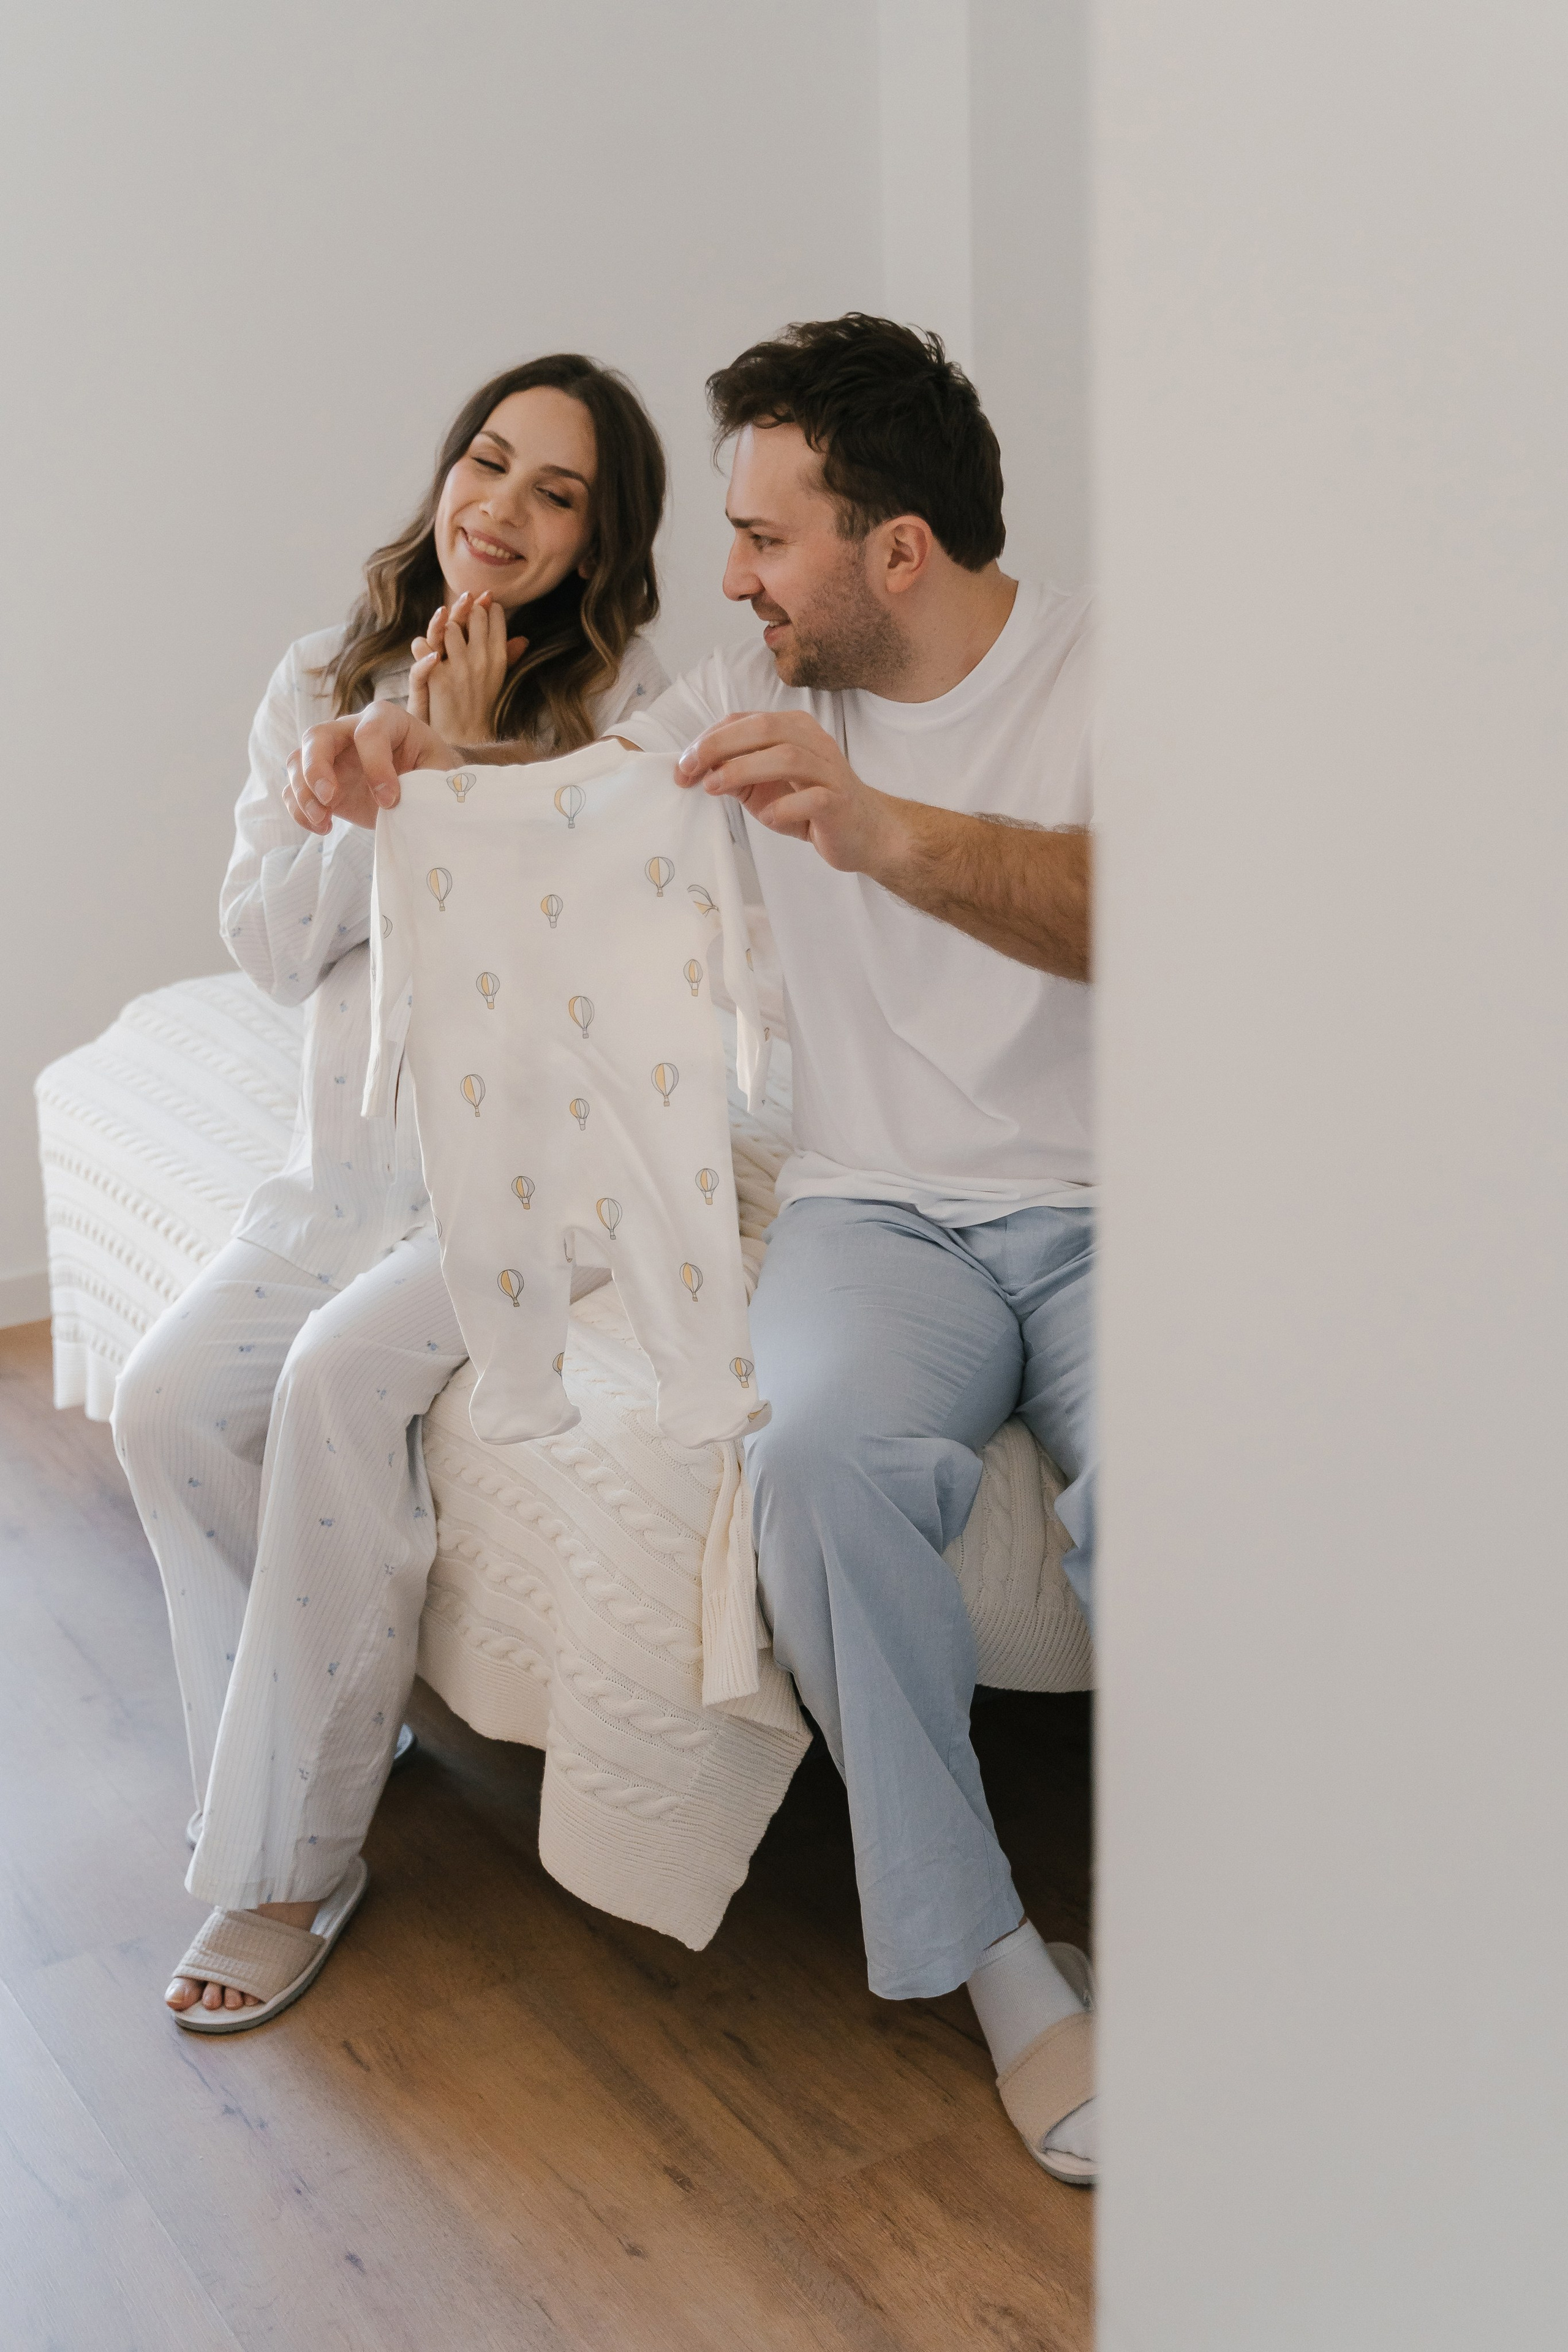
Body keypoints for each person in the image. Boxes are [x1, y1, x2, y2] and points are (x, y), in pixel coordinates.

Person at [288, 316, 1098, 2185]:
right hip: (871, 1212)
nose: (726, 580)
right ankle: (990, 1956)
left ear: (898, 550)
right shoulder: (754, 683)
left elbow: (1160, 911)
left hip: (1117, 1206)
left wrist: (890, 832)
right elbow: (556, 797)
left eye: (765, 537)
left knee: (1187, 1490)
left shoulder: (1103, 676)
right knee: (804, 1468)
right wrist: (393, 759)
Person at [111, 354, 669, 2024]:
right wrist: (387, 775)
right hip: (347, 1173)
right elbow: (276, 949)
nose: (499, 510)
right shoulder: (317, 675)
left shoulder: (631, 705)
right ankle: (300, 1730)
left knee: (341, 1379)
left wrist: (469, 769)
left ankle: (290, 1859)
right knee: (164, 1407)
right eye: (487, 464)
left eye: (554, 493)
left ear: (596, 540)